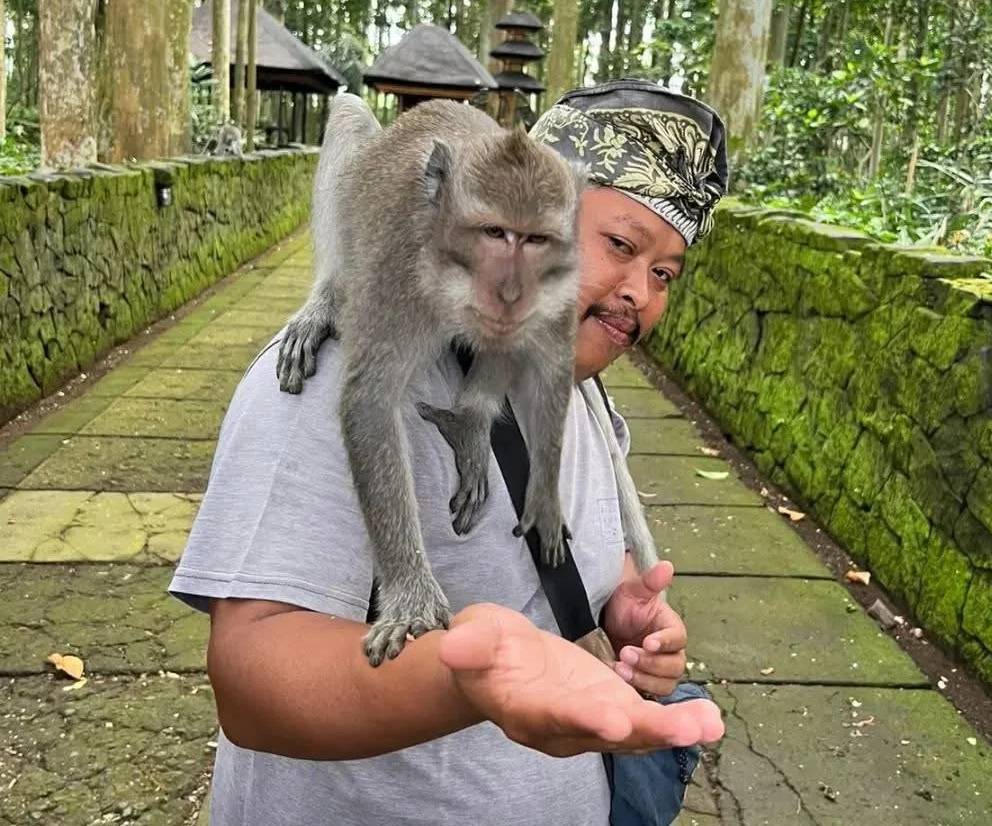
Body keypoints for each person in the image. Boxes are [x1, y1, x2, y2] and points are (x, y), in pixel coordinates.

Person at [170, 78, 730, 825]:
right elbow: (250, 679)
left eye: (663, 273)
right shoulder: (334, 370)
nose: (640, 293)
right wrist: (463, 682)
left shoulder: (578, 384)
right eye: (620, 245)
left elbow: (572, 558)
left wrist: (623, 618)